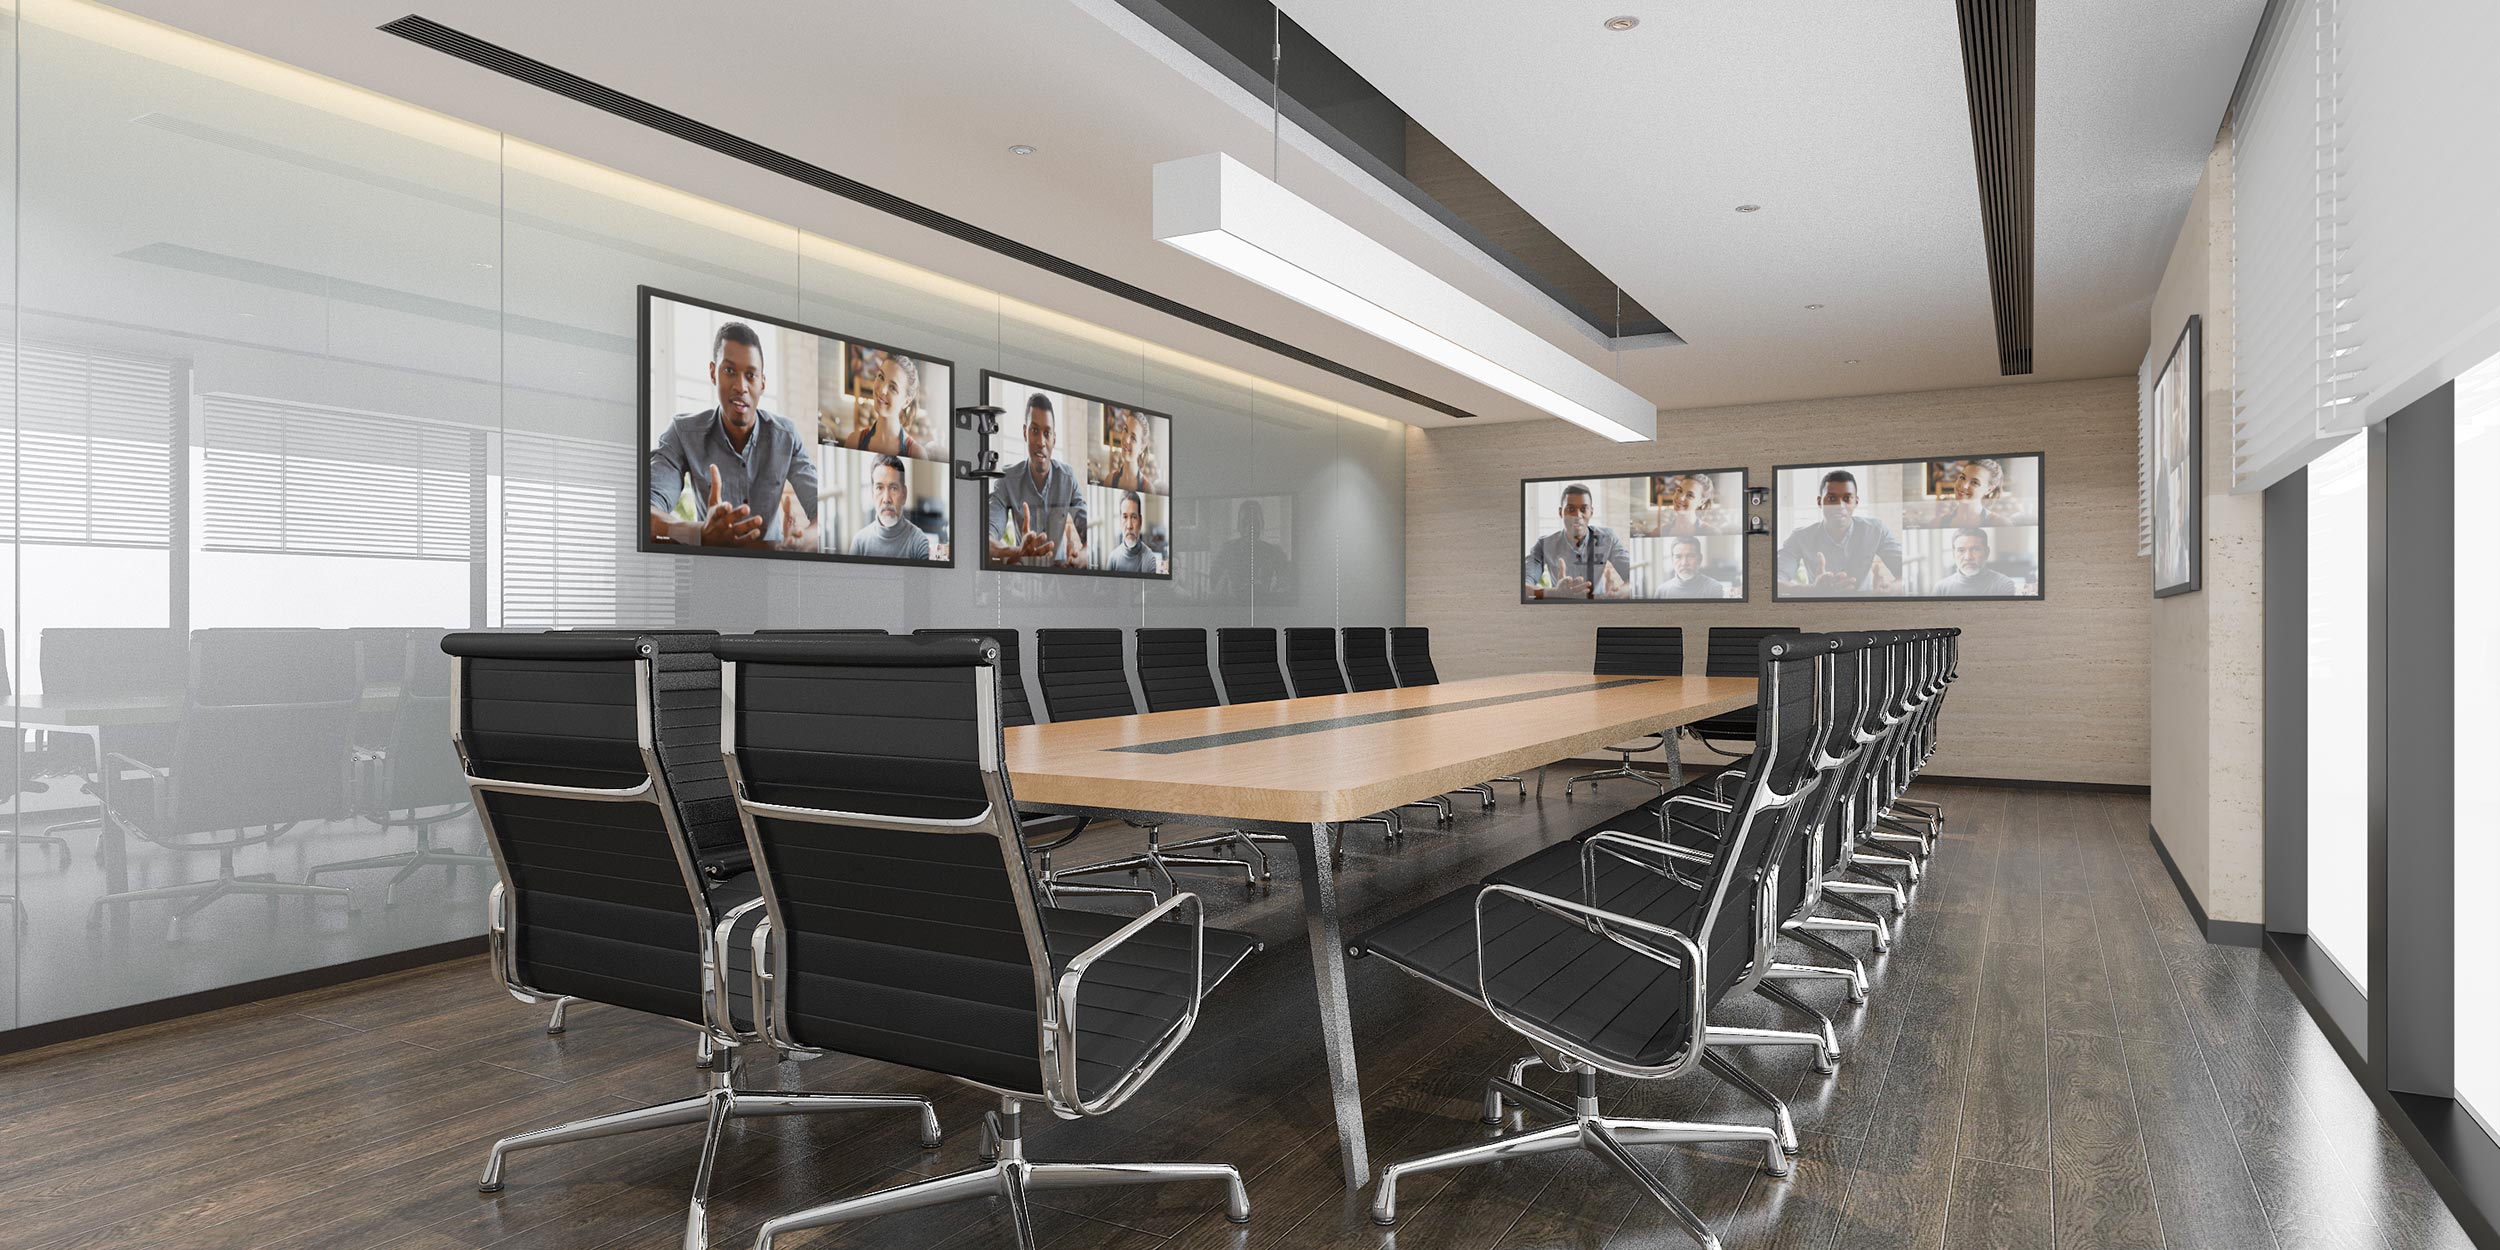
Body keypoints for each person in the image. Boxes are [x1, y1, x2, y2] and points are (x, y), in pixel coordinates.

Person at [648, 321, 819, 551]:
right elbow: (644, 511)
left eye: (750, 375)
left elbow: (822, 516)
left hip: (775, 572)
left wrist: (802, 541)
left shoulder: (787, 436)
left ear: (762, 383)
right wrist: (699, 533)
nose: (741, 386)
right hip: (713, 572)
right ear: (712, 372)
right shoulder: (682, 432)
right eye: (729, 371)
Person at [984, 392, 1088, 567]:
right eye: (1034, 431)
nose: (1041, 442)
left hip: (1061, 581)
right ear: (1025, 433)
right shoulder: (1006, 480)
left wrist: (1081, 558)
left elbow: (1091, 538)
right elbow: (985, 538)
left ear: (1054, 439)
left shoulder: (1068, 478)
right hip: (1024, 582)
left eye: (1047, 433)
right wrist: (1017, 552)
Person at [1775, 469, 1903, 594]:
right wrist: (1813, 590)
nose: (1840, 506)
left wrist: (1889, 589)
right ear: (1820, 502)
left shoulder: (1876, 530)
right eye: (1831, 499)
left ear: (1856, 502)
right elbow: (1774, 582)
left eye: (1847, 498)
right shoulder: (1800, 537)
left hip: (1865, 607)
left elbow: (1905, 573)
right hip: (1818, 609)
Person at [1523, 483, 1630, 599]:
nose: (1577, 515)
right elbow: (1522, 587)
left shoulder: (1608, 538)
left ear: (1591, 512)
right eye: (1571, 509)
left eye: (1583, 509)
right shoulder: (1544, 544)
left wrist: (1619, 593)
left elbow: (1633, 579)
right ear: (1560, 512)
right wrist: (1553, 592)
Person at [847, 454, 947, 561]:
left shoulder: (919, 542)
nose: (886, 499)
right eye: (879, 488)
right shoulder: (859, 543)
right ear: (872, 494)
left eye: (893, 488)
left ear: (904, 495)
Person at [843, 351, 930, 460]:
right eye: (881, 376)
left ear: (906, 402)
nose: (882, 389)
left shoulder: (916, 454)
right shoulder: (854, 441)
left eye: (893, 387)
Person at [1211, 498, 1292, 598]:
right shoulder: (1226, 550)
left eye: (1255, 522)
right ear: (1238, 526)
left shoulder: (1274, 552)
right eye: (1245, 522)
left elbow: (1286, 584)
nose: (1250, 527)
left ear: (1262, 524)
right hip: (1232, 607)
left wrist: (1274, 592)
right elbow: (1213, 583)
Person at [1934, 527, 2022, 596]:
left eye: (1975, 549)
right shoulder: (1941, 588)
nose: (1968, 557)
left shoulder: (2003, 584)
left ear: (1987, 552)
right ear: (1953, 554)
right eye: (1961, 550)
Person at [1099, 490, 1165, 574]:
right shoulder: (1113, 559)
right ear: (1120, 520)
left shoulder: (1149, 558)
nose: (1129, 525)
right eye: (1125, 517)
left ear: (1140, 521)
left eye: (1134, 517)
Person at [1653, 535, 1730, 599]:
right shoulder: (1662, 591)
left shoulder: (1714, 588)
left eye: (1690, 556)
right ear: (1672, 560)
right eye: (1678, 557)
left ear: (1700, 559)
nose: (1684, 563)